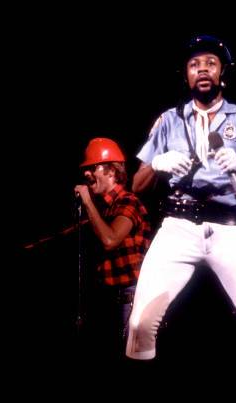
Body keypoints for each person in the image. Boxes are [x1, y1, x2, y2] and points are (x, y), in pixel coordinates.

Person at [125, 35, 236, 383]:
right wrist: (157, 164)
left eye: (210, 64)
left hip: (229, 228)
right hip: (178, 226)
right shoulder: (168, 120)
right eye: (194, 64)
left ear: (222, 73)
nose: (202, 69)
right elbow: (136, 186)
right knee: (140, 323)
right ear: (185, 75)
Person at [73, 137, 151, 360]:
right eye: (85, 169)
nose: (86, 174)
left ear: (111, 171)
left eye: (92, 168)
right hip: (111, 300)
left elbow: (110, 240)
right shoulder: (106, 210)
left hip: (131, 301)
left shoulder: (128, 202)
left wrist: (87, 202)